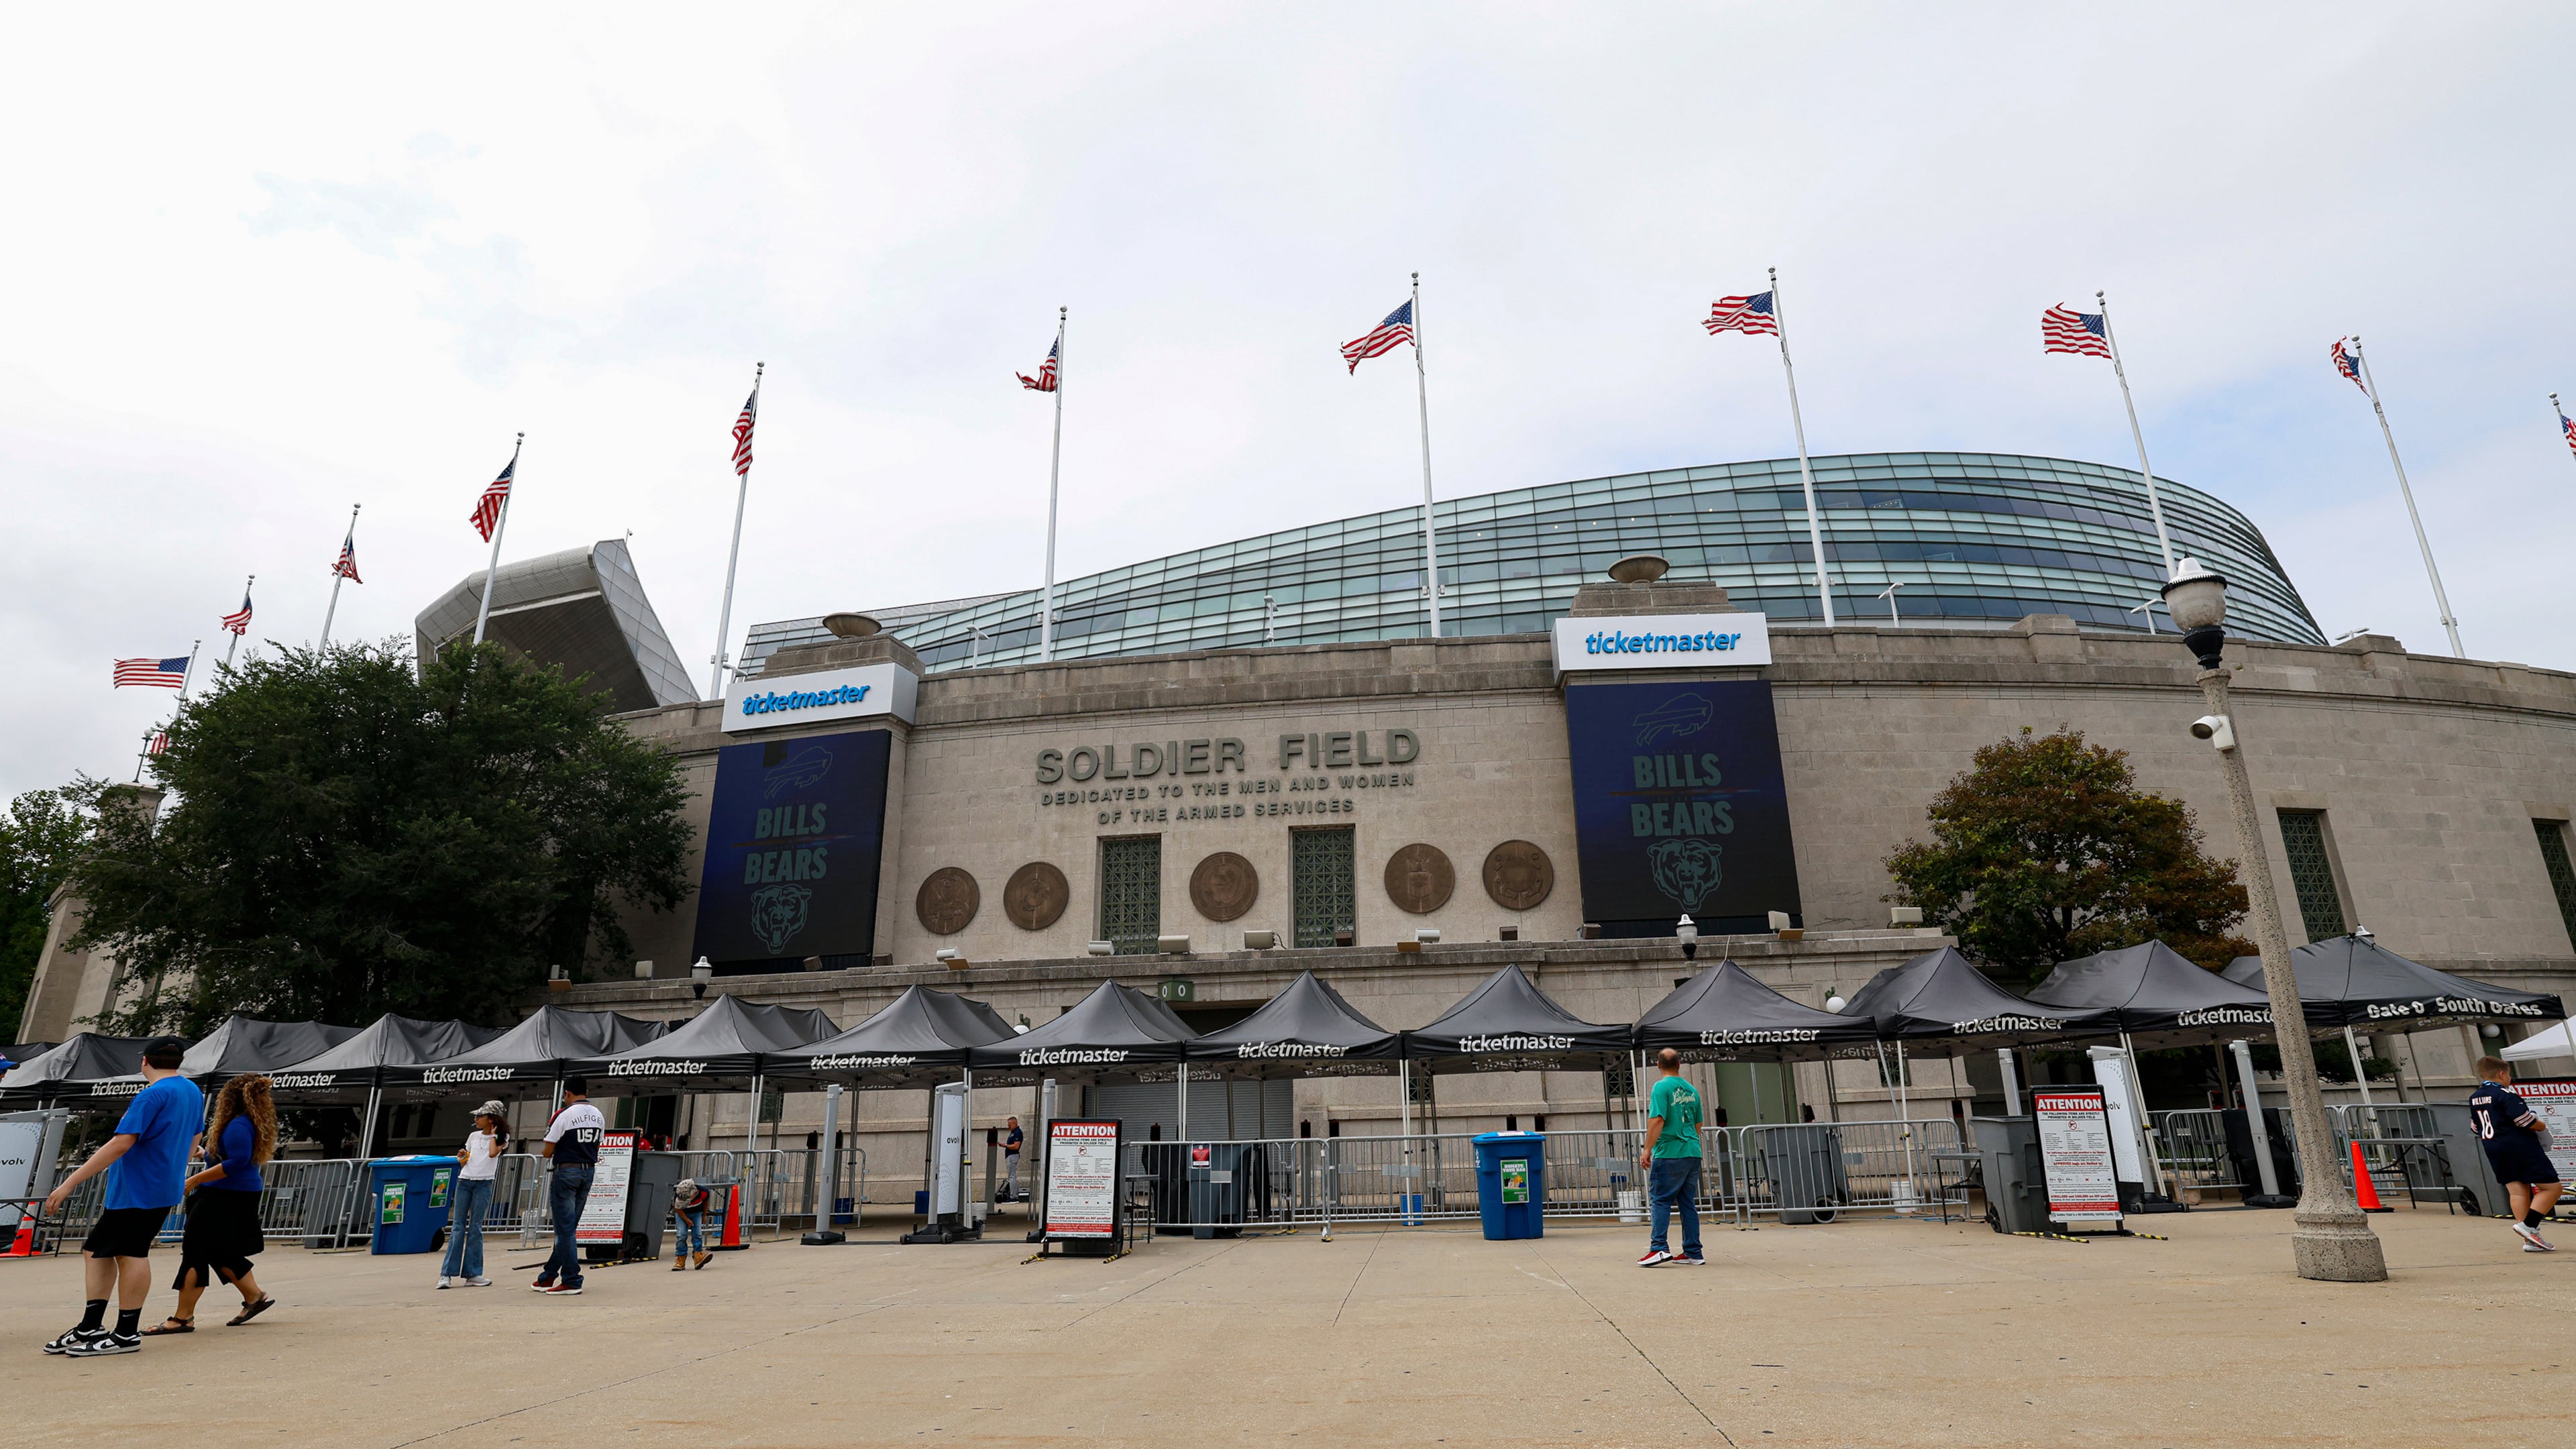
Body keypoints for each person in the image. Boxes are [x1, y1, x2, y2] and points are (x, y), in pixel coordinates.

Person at [42, 1036, 203, 1356]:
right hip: (159, 1184)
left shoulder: (150, 1095)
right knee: (97, 1250)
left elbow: (120, 1143)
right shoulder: (191, 1091)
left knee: (131, 1254)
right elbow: (196, 1135)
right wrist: (174, 1164)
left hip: (139, 1187)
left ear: (145, 1061)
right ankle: (91, 1325)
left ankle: (127, 1333)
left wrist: (69, 1182)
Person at [148, 1074, 279, 1336]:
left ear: (230, 1099)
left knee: (196, 1250)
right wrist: (205, 1155)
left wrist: (194, 1180)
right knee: (220, 1251)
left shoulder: (238, 1125)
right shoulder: (246, 1122)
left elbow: (237, 1163)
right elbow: (230, 1157)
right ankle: (255, 1298)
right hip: (234, 1194)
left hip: (225, 1197)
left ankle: (182, 1318)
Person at [2470, 1057, 2562, 1251]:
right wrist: (2541, 1125)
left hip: (2493, 1148)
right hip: (2519, 1147)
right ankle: (2529, 1226)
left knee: (2517, 1191)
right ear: (2502, 1074)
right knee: (2552, 1188)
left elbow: (2474, 1127)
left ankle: (2530, 1239)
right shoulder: (2505, 1094)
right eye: (2509, 1074)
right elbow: (2524, 1121)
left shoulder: (2475, 1097)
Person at [533, 1079, 606, 1296]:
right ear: (586, 1091)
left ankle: (572, 1279)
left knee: (564, 1230)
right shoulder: (598, 1115)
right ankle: (548, 1275)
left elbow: (547, 1150)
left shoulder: (563, 1114)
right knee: (569, 1229)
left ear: (567, 1094)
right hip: (588, 1171)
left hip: (566, 1171)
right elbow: (598, 1142)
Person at [1635, 1049, 1705, 1267]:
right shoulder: (1692, 1089)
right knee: (1687, 1203)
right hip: (1692, 1151)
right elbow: (1698, 1125)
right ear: (1679, 1065)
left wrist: (1647, 1149)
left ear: (1658, 1065)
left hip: (1670, 1152)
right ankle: (1693, 1252)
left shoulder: (1661, 1087)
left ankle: (1659, 1248)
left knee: (1660, 1200)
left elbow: (1657, 1120)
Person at [438, 1102, 508, 1289]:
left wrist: (493, 1135)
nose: (476, 1120)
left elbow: (493, 1153)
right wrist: (462, 1156)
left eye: (480, 1116)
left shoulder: (502, 1137)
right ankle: (446, 1274)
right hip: (465, 1181)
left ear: (491, 1119)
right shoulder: (473, 1136)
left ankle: (473, 1273)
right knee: (458, 1227)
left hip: (484, 1183)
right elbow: (465, 1161)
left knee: (475, 1227)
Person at [671, 1177, 712, 1270]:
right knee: (682, 1235)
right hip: (682, 1214)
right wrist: (686, 1220)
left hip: (697, 1213)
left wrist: (704, 1215)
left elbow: (705, 1202)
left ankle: (698, 1255)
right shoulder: (679, 1195)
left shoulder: (704, 1192)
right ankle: (680, 1259)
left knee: (697, 1234)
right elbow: (677, 1208)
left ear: (694, 1193)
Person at [1002, 1117, 1024, 1201]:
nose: (1008, 1127)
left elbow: (1016, 1146)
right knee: (1012, 1177)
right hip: (1010, 1156)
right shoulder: (1013, 1133)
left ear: (1015, 1123)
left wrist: (1005, 1145)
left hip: (1012, 1156)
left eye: (1010, 1125)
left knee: (1012, 1177)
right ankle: (1014, 1195)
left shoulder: (1017, 1133)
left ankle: (1013, 1196)